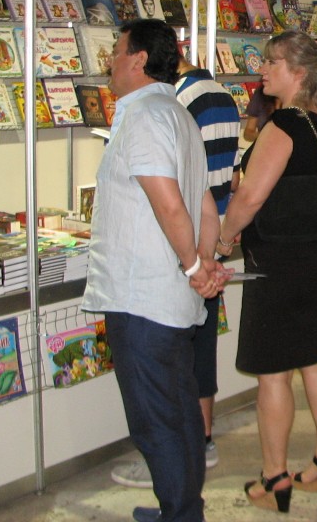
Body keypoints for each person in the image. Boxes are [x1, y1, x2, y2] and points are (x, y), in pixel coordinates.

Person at [81, 19, 232, 522]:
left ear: (139, 59)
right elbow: (205, 205)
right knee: (180, 410)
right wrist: (203, 262)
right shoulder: (178, 114)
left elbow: (170, 203)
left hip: (143, 298)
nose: (110, 62)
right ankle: (184, 508)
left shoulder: (145, 117)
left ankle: (181, 515)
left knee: (156, 420)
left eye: (116, 51)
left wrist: (194, 266)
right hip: (168, 297)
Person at [215, 30, 317, 513]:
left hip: (277, 261)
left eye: (272, 62)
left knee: (273, 373)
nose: (263, 70)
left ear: (299, 72)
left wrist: (223, 239)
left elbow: (251, 197)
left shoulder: (283, 125)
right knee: (314, 359)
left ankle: (275, 479)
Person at [110, 55, 241, 489]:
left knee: (164, 392)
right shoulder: (216, 97)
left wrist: (193, 264)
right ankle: (193, 467)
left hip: (174, 260)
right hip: (201, 246)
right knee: (191, 370)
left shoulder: (162, 109)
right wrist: (209, 252)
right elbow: (214, 187)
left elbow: (173, 197)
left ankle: (178, 492)